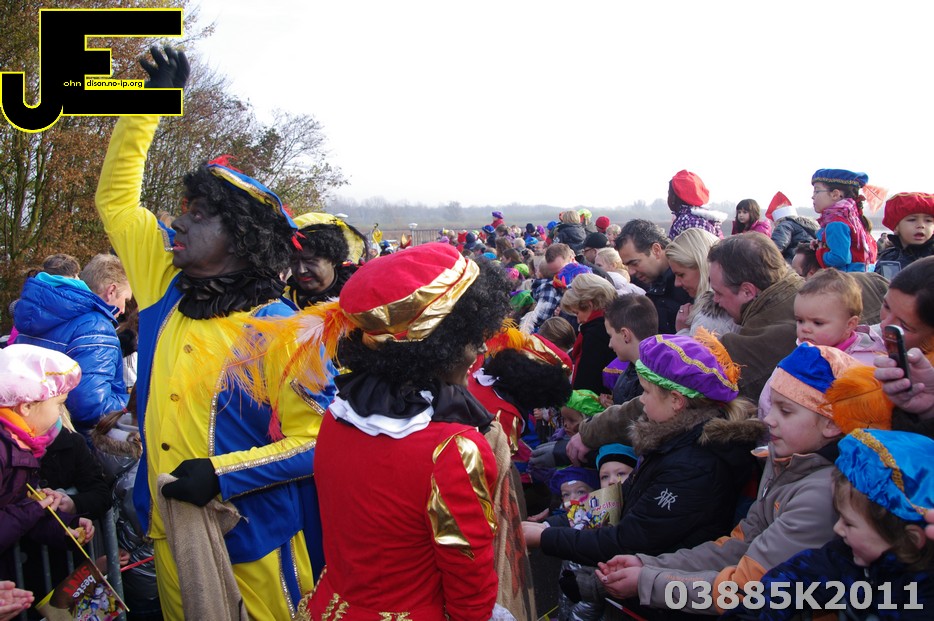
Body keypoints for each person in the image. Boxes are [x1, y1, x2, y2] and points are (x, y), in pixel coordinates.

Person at [94, 46, 333, 619]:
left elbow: (317, 442)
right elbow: (115, 201)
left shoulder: (289, 331)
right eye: (185, 208)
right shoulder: (162, 285)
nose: (179, 220)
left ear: (243, 236)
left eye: (200, 213)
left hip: (255, 546)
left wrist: (220, 476)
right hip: (169, 536)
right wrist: (148, 106)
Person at [263, 243, 513, 620]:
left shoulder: (337, 414)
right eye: (469, 336)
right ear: (433, 345)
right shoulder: (453, 449)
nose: (480, 348)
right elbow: (469, 584)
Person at [595, 343, 873, 616]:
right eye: (773, 406)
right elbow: (738, 544)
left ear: (831, 423)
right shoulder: (784, 460)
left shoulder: (820, 495)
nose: (769, 420)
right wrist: (648, 566)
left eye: (786, 411)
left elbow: (747, 587)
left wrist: (648, 582)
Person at [523, 333, 762, 575]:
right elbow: (617, 499)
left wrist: (546, 538)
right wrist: (553, 524)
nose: (642, 402)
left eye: (646, 392)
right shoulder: (674, 436)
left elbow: (628, 540)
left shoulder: (694, 466)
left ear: (676, 400)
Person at [736, 429, 934, 620]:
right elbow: (786, 583)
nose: (837, 529)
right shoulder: (843, 557)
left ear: (910, 539)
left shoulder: (921, 602)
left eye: (849, 523)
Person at [0, 344, 95, 581]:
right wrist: (31, 510)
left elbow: (18, 508)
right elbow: (20, 513)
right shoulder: (6, 451)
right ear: (26, 406)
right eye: (59, 404)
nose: (61, 413)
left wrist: (65, 527)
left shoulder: (20, 447)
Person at [13, 253, 131, 434]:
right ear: (111, 290)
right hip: (76, 437)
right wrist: (132, 403)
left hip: (30, 429)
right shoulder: (96, 326)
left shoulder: (36, 314)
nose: (123, 309)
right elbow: (92, 406)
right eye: (125, 300)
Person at [708, 232, 803, 401]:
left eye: (719, 293)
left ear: (747, 291)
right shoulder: (808, 292)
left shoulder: (756, 343)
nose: (715, 300)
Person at [614, 219, 693, 334]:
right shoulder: (657, 284)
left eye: (634, 263)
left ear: (656, 250)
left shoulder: (688, 285)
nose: (631, 272)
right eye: (627, 265)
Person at [285, 212, 368, 308]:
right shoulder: (285, 300)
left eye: (309, 260)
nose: (301, 270)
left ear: (333, 259)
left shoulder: (361, 293)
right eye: (294, 262)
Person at [666, 227, 738, 337]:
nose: (677, 283)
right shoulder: (733, 305)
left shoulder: (708, 321)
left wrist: (683, 333)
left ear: (702, 267)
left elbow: (696, 349)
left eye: (681, 275)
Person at [560, 273, 619, 395]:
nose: (578, 320)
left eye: (577, 313)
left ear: (589, 305)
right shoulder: (610, 323)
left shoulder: (596, 334)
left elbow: (587, 382)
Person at [812, 168, 877, 272]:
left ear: (835, 194)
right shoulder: (854, 219)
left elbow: (840, 258)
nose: (812, 196)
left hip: (849, 279)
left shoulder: (836, 222)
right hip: (866, 277)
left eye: (817, 191)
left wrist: (820, 252)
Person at [602, 295, 657, 407]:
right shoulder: (633, 368)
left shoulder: (649, 383)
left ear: (625, 335)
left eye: (611, 336)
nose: (610, 344)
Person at [877, 192, 934, 270]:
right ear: (896, 227)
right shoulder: (888, 258)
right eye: (912, 220)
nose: (921, 225)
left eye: (928, 220)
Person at [667, 169, 726, 240]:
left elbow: (698, 247)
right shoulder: (697, 219)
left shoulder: (689, 222)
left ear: (674, 198)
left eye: (669, 193)